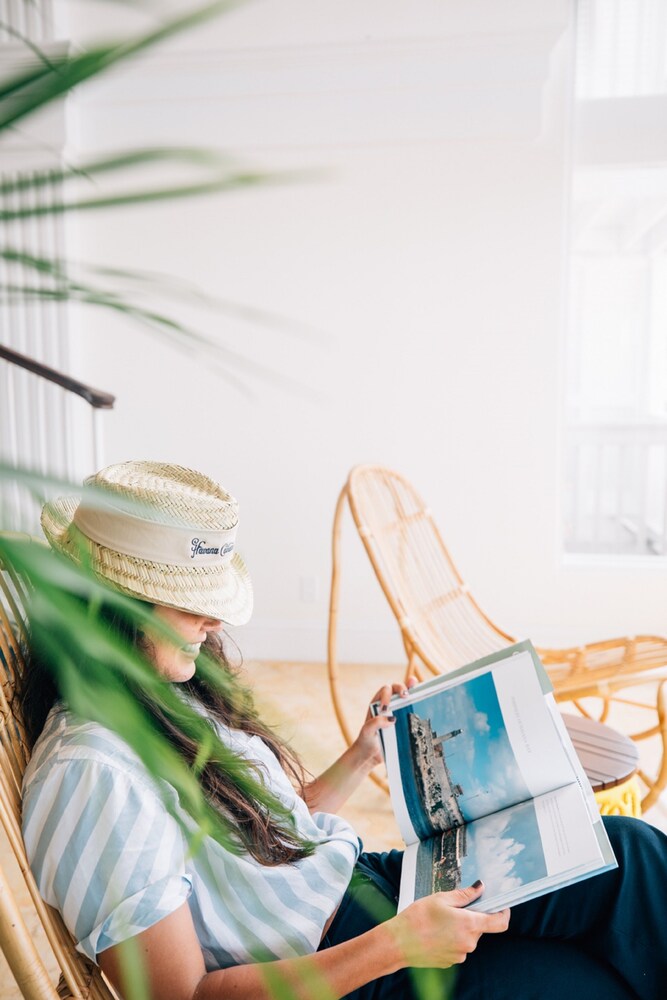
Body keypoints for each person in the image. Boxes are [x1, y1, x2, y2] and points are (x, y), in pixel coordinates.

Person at [14, 460, 667, 1000]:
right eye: (192, 602)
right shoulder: (91, 773)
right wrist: (394, 945)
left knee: (630, 854)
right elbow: (182, 996)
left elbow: (263, 836)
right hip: (350, 965)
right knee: (591, 983)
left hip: (366, 883)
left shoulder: (160, 693)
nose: (213, 623)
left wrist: (360, 755)